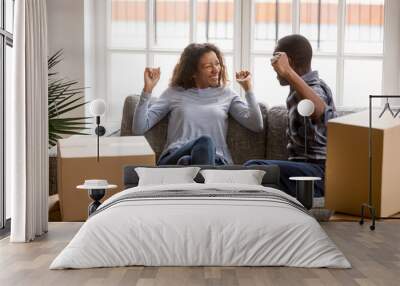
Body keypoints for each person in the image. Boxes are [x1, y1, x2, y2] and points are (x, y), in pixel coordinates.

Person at [133, 43, 263, 165]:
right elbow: (139, 128)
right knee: (204, 142)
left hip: (215, 161)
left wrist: (248, 89)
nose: (216, 70)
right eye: (208, 66)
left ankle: (190, 170)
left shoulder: (227, 94)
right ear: (193, 73)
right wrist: (147, 89)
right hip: (175, 156)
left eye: (217, 64)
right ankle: (199, 180)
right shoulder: (174, 92)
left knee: (190, 158)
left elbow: (256, 125)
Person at [245, 34, 337, 197]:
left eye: (275, 60)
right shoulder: (303, 89)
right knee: (259, 176)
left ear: (289, 62)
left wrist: (288, 72)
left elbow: (321, 112)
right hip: (305, 170)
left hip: (318, 174)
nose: (273, 66)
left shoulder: (314, 88)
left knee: (253, 168)